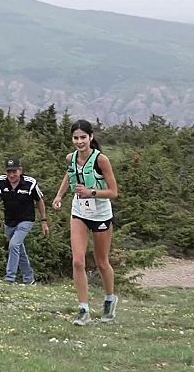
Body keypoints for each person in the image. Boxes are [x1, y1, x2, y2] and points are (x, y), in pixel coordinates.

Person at [52, 120, 119, 325]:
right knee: (78, 261)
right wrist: (59, 196)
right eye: (75, 138)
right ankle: (83, 309)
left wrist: (91, 192)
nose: (79, 141)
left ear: (91, 138)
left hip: (100, 215)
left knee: (101, 262)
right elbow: (69, 174)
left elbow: (114, 192)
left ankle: (109, 299)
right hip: (79, 212)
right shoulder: (70, 158)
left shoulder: (101, 160)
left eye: (83, 137)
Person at [0, 157, 50, 285]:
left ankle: (10, 279)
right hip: (9, 221)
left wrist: (44, 221)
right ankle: (29, 278)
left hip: (26, 220)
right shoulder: (0, 182)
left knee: (14, 245)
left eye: (14, 171)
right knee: (19, 250)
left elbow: (39, 201)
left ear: (20, 170)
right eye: (9, 172)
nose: (11, 175)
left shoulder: (30, 183)